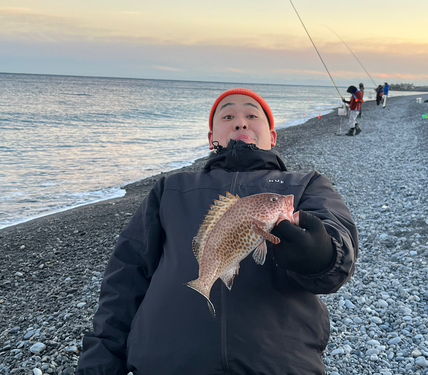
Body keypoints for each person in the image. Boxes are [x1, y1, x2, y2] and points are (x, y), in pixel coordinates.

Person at [76, 88, 359, 375]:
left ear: (273, 137)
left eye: (252, 114)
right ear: (211, 138)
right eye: (227, 116)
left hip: (279, 364)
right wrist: (100, 360)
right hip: (165, 364)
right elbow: (126, 275)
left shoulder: (305, 184)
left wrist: (320, 252)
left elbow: (340, 248)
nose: (240, 122)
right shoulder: (170, 189)